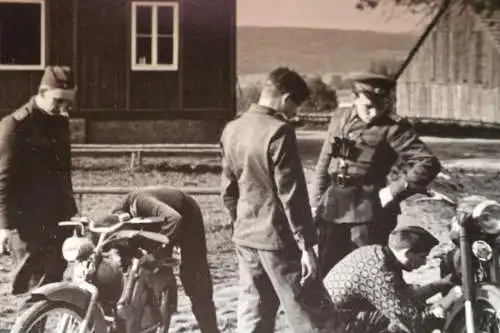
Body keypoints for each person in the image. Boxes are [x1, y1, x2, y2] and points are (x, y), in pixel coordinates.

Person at [220, 67, 340, 333]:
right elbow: (292, 196)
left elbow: (228, 190)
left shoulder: (232, 129)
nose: (295, 113)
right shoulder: (280, 131)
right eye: (295, 106)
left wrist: (238, 225)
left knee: (253, 314)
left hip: (246, 236)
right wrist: (307, 247)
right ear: (286, 99)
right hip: (278, 240)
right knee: (312, 315)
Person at [311, 72, 442, 277]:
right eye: (367, 107)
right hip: (333, 207)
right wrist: (316, 201)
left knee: (368, 270)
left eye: (380, 106)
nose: (373, 113)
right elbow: (325, 161)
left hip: (367, 210)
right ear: (354, 98)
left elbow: (428, 163)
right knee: (328, 270)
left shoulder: (394, 128)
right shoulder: (340, 118)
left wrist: (393, 190)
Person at [97, 186, 220, 333]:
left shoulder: (139, 201)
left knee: (194, 278)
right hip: (159, 222)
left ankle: (209, 329)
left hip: (186, 216)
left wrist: (157, 254)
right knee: (134, 271)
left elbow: (175, 219)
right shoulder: (115, 219)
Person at [0, 65, 78, 294]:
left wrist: (72, 214)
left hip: (57, 221)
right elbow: (2, 178)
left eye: (68, 102)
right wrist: (3, 227)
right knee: (33, 290)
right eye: (58, 101)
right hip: (27, 225)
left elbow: (63, 172)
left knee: (52, 287)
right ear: (42, 92)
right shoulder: (15, 126)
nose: (63, 108)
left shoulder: (60, 123)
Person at [323, 224, 462, 333]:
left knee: (413, 300)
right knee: (403, 323)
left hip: (334, 313)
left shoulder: (378, 253)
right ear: (407, 253)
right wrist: (448, 301)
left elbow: (405, 293)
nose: (425, 262)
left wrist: (443, 283)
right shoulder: (381, 274)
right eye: (422, 257)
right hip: (334, 325)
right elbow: (412, 323)